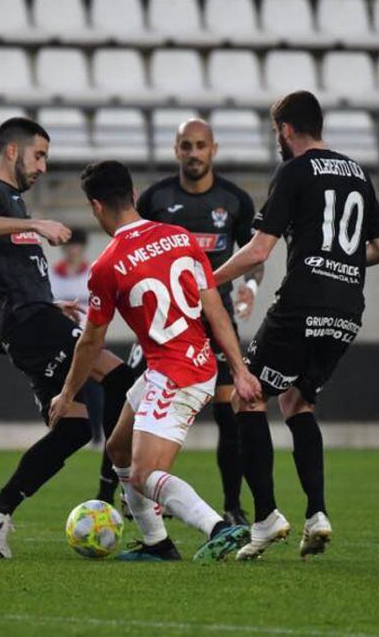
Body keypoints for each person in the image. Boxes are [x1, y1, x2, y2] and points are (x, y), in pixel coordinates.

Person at [49, 160, 262, 562]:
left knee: (145, 475)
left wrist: (66, 394)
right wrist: (239, 368)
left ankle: (218, 526)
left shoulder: (107, 266)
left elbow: (91, 341)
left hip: (176, 373)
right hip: (189, 363)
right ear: (133, 195)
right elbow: (214, 306)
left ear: (96, 207)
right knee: (118, 450)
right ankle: (157, 544)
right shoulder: (180, 237)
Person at [213, 91, 379, 560]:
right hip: (347, 309)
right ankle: (317, 514)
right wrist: (340, 264)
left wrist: (205, 284)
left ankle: (266, 517)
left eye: (278, 132)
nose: (278, 140)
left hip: (302, 303)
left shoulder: (293, 171)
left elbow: (257, 251)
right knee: (297, 401)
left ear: (287, 130)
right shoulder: (357, 172)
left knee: (245, 396)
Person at [0, 118, 136, 559]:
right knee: (121, 381)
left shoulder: (13, 206)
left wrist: (50, 303)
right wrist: (36, 225)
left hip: (34, 318)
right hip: (27, 323)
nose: (42, 166)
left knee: (73, 428)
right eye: (39, 156)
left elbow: (8, 272)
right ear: (13, 151)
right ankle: (118, 495)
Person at [111, 118, 260, 526]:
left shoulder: (236, 201)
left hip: (216, 318)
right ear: (176, 149)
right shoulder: (157, 198)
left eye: (200, 146)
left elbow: (253, 253)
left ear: (213, 149)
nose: (193, 153)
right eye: (185, 146)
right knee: (130, 405)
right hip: (164, 325)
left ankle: (232, 504)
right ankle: (114, 496)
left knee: (229, 416)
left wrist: (250, 285)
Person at [47, 229, 106, 447]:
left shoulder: (92, 273)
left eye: (77, 246)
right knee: (63, 386)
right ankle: (65, 431)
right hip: (62, 338)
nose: (73, 250)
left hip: (90, 337)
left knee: (94, 388)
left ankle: (97, 434)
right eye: (70, 246)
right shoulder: (53, 275)